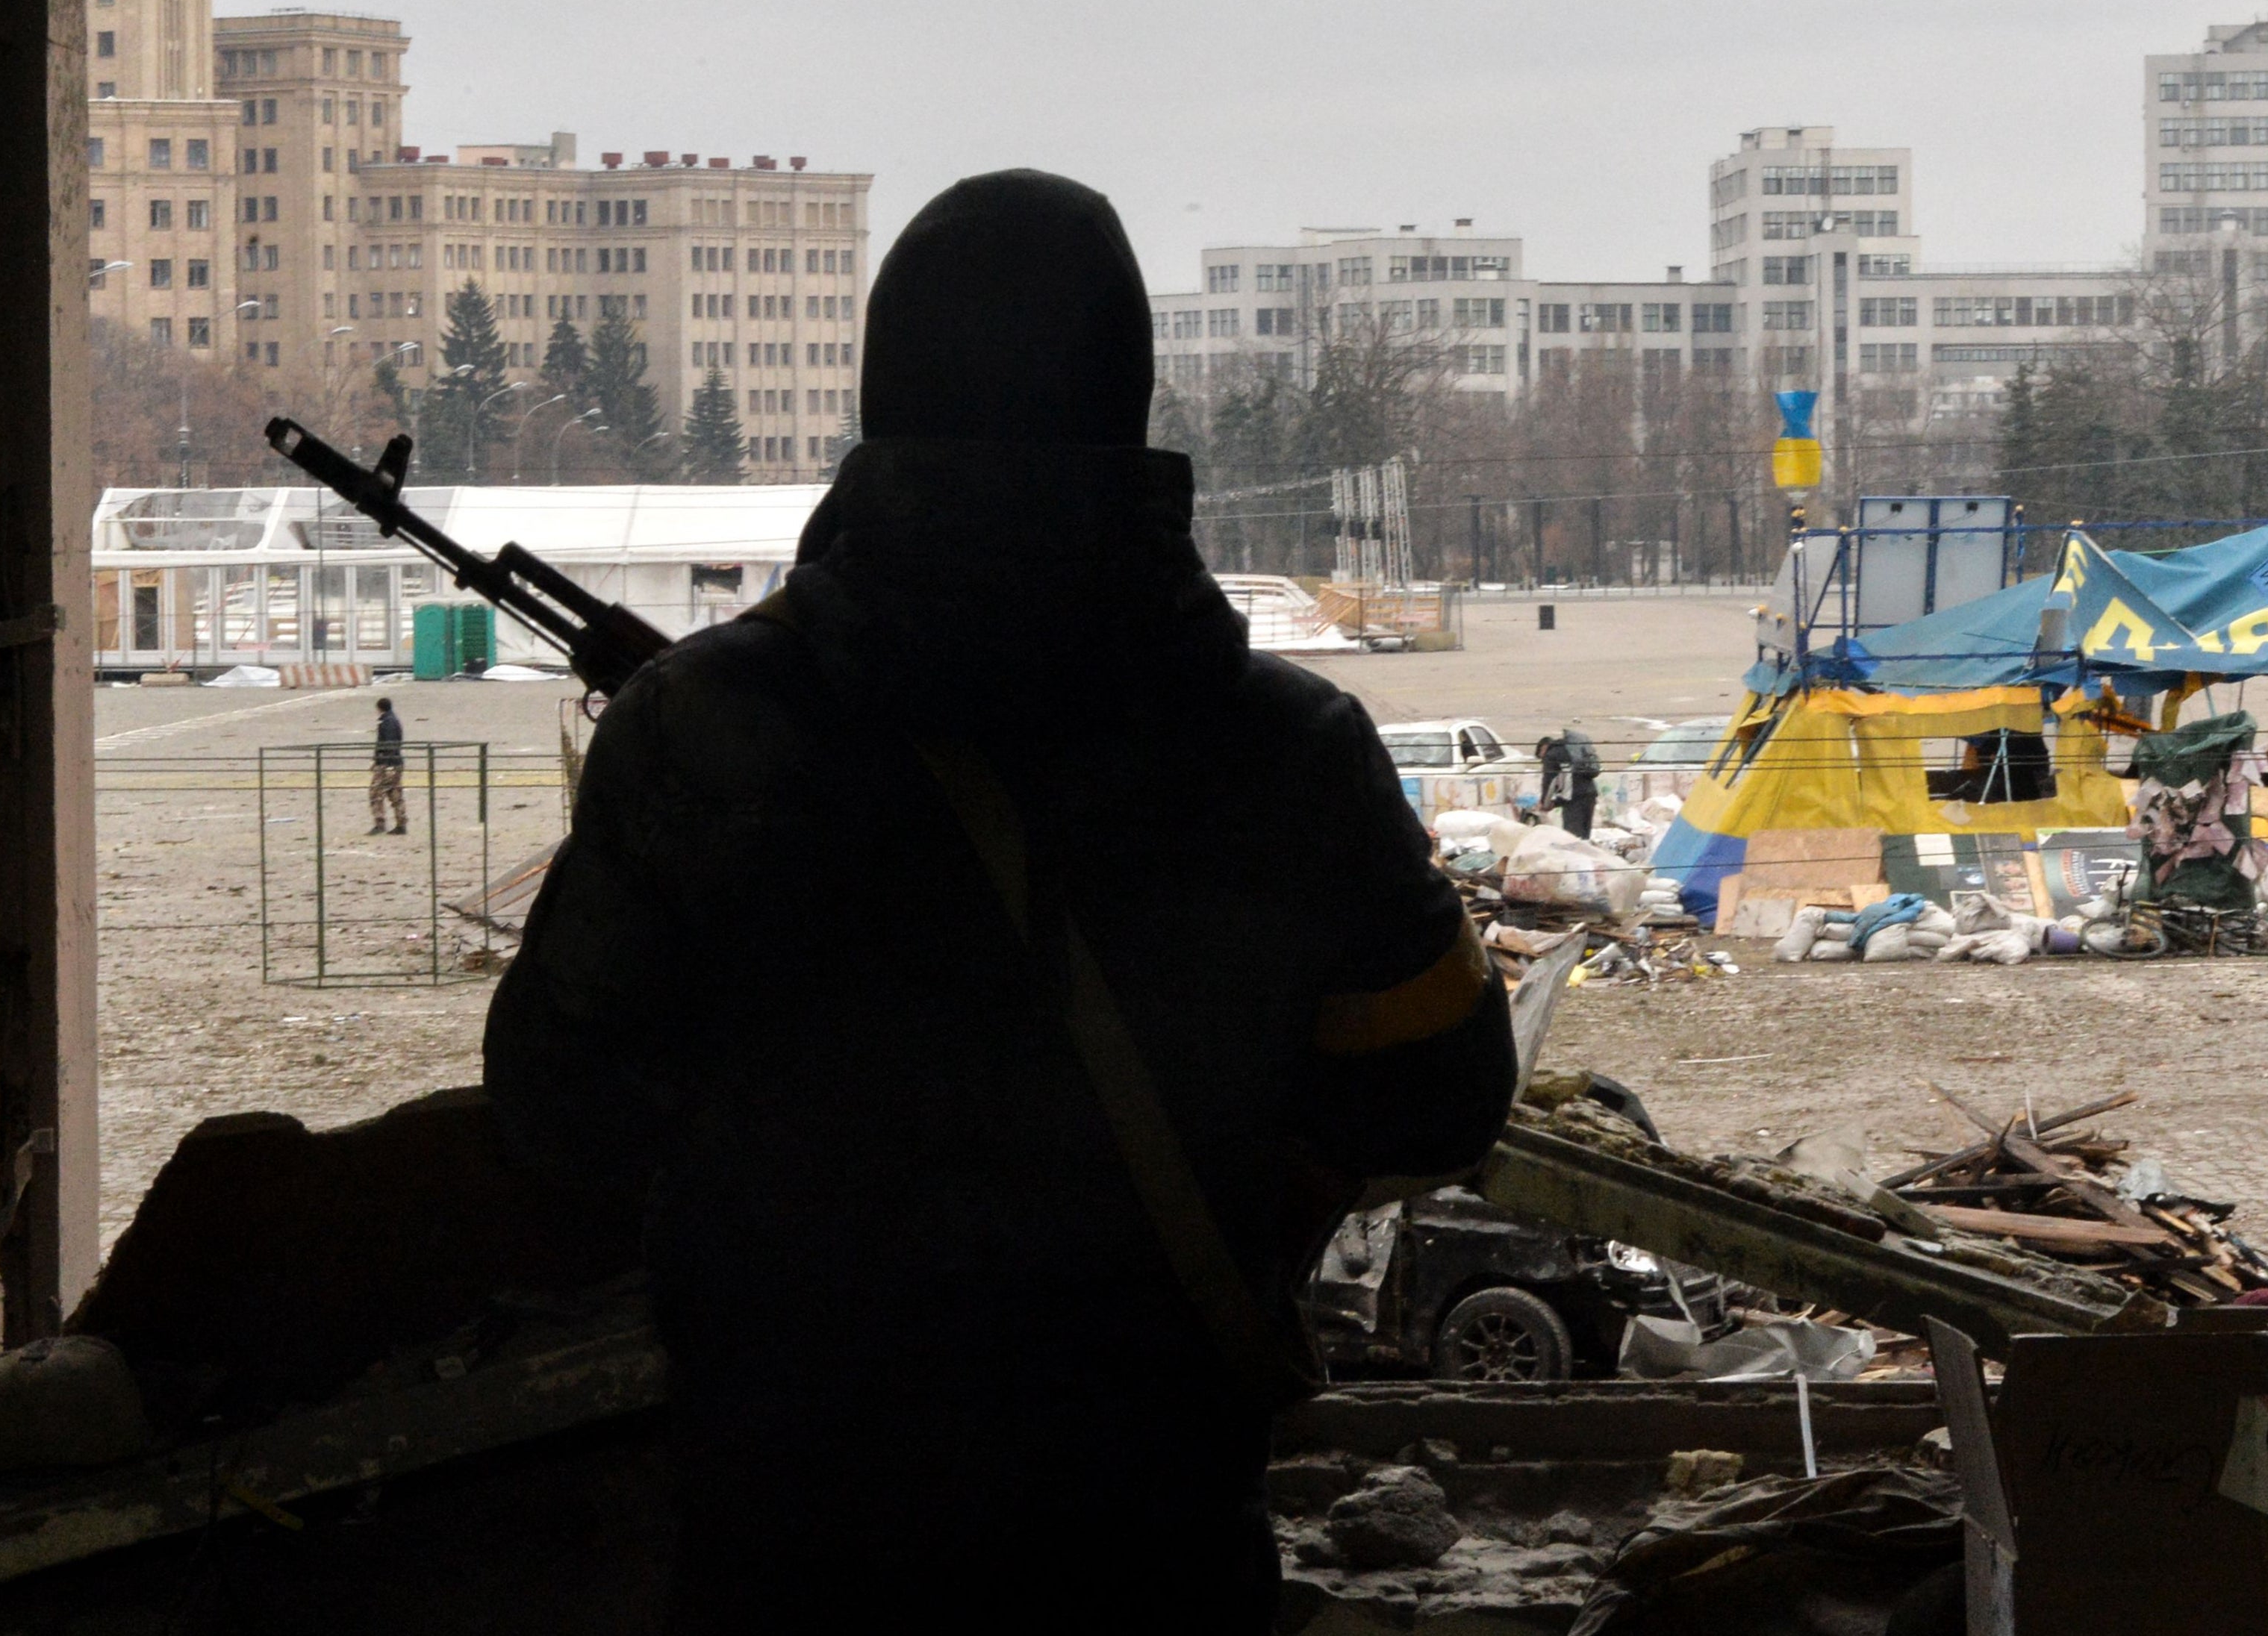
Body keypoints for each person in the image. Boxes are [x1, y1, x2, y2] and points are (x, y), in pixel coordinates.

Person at [484, 169, 1515, 1635]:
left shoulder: (699, 733)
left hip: (784, 1546)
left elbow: (556, 1111)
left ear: (876, 398)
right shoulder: (1289, 751)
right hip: (1154, 1546)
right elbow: (1440, 1096)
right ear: (1128, 400)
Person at [1539, 722, 1600, 840]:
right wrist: (1555, 803)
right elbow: (1569, 782)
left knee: (1572, 839)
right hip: (1590, 795)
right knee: (1584, 837)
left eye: (1540, 756)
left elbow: (1549, 782)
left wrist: (1544, 804)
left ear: (1543, 748)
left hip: (1574, 800)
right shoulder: (1570, 750)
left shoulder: (1551, 755)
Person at [368, 696, 405, 835]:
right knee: (395, 793)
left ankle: (380, 823)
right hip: (395, 762)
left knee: (376, 793)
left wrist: (381, 761)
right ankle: (401, 823)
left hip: (387, 763)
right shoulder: (393, 720)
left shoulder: (387, 722)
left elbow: (387, 744)